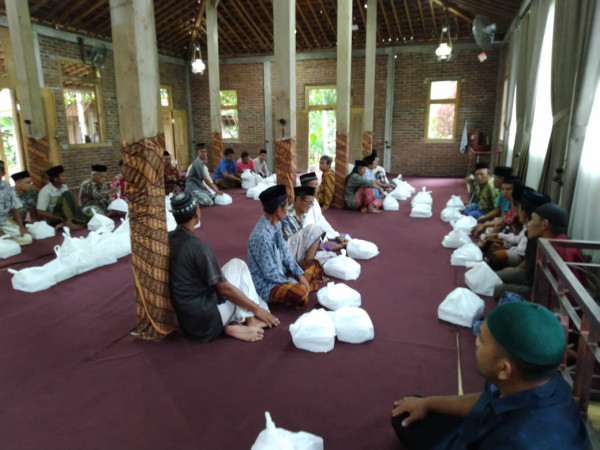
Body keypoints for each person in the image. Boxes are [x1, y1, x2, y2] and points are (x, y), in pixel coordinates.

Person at [391, 301, 588, 449]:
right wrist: (429, 403)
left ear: (504, 369)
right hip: (484, 431)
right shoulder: (545, 381)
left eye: (482, 340)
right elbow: (489, 402)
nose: (476, 342)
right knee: (407, 412)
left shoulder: (519, 440)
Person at [168, 192, 279, 343]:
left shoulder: (167, 240)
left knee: (237, 265)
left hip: (187, 321)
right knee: (243, 287)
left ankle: (242, 319)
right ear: (196, 213)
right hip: (208, 321)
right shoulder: (198, 247)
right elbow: (224, 289)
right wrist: (256, 309)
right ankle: (243, 321)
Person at [247, 185, 322, 309]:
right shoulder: (261, 236)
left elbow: (285, 252)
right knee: (301, 293)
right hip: (267, 284)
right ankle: (296, 289)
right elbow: (269, 273)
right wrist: (292, 281)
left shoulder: (275, 224)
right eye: (287, 206)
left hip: (281, 272)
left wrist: (299, 275)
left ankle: (298, 285)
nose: (288, 210)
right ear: (278, 210)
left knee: (314, 265)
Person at [493, 202, 582, 299]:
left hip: (544, 297)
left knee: (498, 289)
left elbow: (563, 295)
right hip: (535, 282)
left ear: (544, 224)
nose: (529, 224)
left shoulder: (559, 252)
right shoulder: (546, 242)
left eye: (532, 220)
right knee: (495, 278)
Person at [483, 187, 549, 271]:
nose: (515, 210)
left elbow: (527, 256)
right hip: (516, 250)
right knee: (493, 242)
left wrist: (515, 268)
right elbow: (517, 238)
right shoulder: (527, 225)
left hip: (521, 258)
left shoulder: (534, 229)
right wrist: (497, 235)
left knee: (499, 257)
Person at [300, 172, 348, 251]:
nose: (316, 188)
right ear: (304, 188)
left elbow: (321, 220)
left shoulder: (314, 201)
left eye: (316, 185)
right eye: (312, 186)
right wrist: (325, 242)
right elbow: (307, 229)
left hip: (319, 234)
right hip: (308, 239)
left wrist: (336, 235)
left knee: (346, 237)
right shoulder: (302, 204)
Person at [37, 165, 92, 229]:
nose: (66, 177)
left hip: (66, 214)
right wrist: (59, 218)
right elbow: (40, 212)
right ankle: (71, 223)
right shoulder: (45, 191)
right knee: (67, 194)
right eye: (63, 176)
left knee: (90, 213)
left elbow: (70, 203)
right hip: (55, 218)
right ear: (55, 179)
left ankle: (67, 223)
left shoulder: (64, 187)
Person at [281, 186, 324, 266]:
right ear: (298, 199)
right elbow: (289, 244)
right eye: (308, 203)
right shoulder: (287, 217)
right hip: (284, 255)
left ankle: (308, 266)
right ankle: (308, 269)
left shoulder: (303, 215)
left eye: (312, 203)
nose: (310, 206)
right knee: (315, 229)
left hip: (297, 251)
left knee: (328, 256)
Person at [0, 160, 31, 245]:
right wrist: (1, 233)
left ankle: (8, 242)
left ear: (3, 173)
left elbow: (15, 207)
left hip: (4, 221)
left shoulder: (6, 185)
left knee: (27, 238)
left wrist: (21, 227)